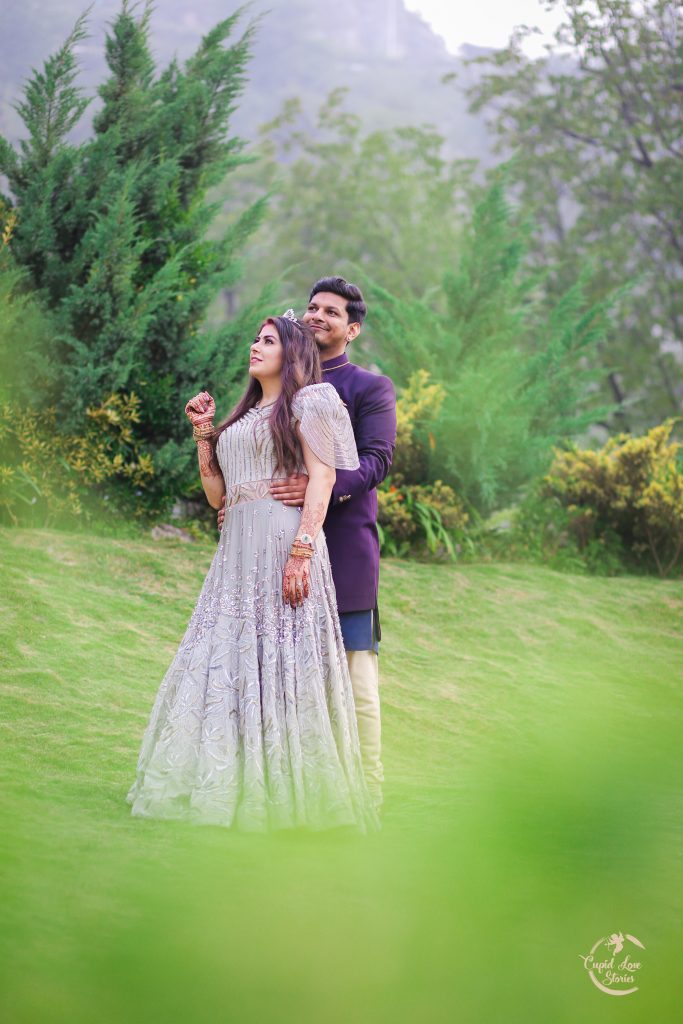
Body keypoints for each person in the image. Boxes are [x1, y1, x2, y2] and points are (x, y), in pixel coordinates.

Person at [126, 313, 380, 834]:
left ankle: (293, 792)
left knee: (284, 660)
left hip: (284, 542)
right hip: (236, 555)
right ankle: (227, 782)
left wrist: (303, 549)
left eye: (267, 341)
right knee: (224, 655)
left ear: (292, 353)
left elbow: (324, 476)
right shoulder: (244, 417)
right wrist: (204, 434)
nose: (254, 346)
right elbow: (218, 496)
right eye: (255, 339)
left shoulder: (309, 401)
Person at [218, 278, 397, 812]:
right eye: (313, 308)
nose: (318, 316)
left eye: (332, 312)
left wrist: (322, 488)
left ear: (353, 328)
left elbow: (377, 460)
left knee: (355, 676)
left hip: (342, 548)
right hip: (271, 552)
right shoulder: (277, 384)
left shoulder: (368, 387)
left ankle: (370, 789)